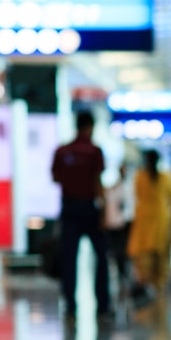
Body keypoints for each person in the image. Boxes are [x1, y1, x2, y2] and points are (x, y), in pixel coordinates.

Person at [51, 109, 112, 322]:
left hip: (69, 208)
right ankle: (103, 305)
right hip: (89, 208)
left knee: (69, 258)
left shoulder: (62, 151)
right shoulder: (95, 152)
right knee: (101, 257)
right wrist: (104, 212)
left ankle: (70, 305)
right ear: (90, 127)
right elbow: (98, 183)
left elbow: (55, 178)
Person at [126, 148, 171, 292]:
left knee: (144, 255)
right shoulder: (165, 178)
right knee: (160, 255)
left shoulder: (140, 177)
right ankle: (159, 285)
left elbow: (136, 194)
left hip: (144, 221)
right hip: (161, 220)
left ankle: (147, 284)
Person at [102, 156, 134, 296]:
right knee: (113, 253)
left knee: (122, 254)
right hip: (113, 225)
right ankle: (120, 278)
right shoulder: (113, 188)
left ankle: (124, 278)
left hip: (122, 225)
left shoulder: (128, 188)